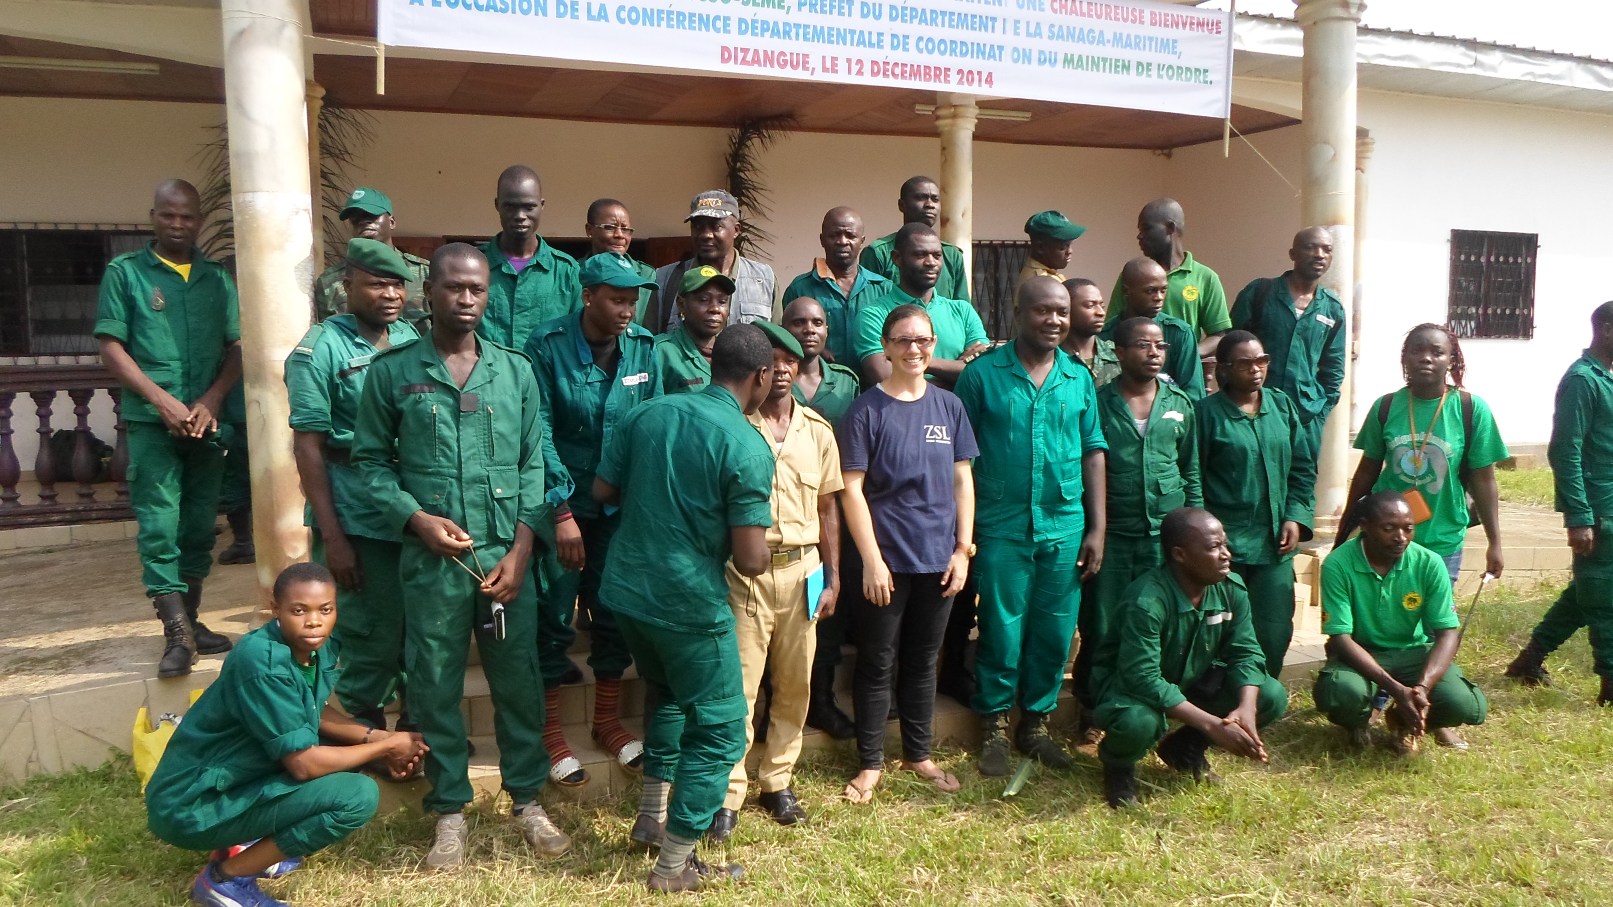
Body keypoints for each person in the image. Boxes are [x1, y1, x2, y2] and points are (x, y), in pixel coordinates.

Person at [351, 243, 571, 868]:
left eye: (477, 289)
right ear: (429, 293)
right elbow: (369, 463)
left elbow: (533, 463)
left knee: (519, 682)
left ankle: (527, 800)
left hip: (506, 559)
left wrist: (523, 551)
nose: (467, 299)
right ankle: (449, 810)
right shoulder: (393, 372)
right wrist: (415, 519)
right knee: (434, 684)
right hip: (433, 564)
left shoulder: (515, 371)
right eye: (454, 288)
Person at [594, 324, 775, 892]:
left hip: (627, 592)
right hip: (688, 603)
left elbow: (603, 491)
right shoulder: (747, 444)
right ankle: (673, 866)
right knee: (720, 731)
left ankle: (651, 818)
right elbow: (751, 559)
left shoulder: (647, 413)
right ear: (761, 376)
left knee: (668, 694)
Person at [146, 562, 428, 907]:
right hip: (191, 804)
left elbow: (310, 707)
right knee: (356, 796)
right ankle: (225, 879)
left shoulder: (315, 645)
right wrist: (386, 748)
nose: (314, 621)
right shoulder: (263, 661)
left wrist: (376, 737)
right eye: (299, 610)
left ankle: (244, 844)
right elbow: (304, 765)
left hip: (228, 782)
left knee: (344, 744)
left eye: (326, 610)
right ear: (275, 609)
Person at [954, 276, 1106, 776]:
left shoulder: (1077, 378)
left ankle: (1035, 725)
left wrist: (1097, 529)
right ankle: (995, 726)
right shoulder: (982, 376)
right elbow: (960, 457)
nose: (1054, 320)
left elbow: (1093, 451)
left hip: (1064, 525)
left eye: (1062, 312)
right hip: (1001, 525)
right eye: (1043, 311)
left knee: (1055, 630)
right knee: (1001, 629)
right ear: (1018, 313)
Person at [96, 178, 242, 678]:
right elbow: (111, 346)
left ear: (199, 221)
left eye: (187, 216)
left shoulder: (216, 280)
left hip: (206, 425)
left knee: (199, 527)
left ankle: (193, 620)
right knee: (160, 528)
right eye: (168, 215)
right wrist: (161, 401)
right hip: (151, 424)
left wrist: (211, 400)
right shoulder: (126, 274)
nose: (178, 224)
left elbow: (237, 347)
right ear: (153, 217)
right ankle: (176, 635)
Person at [524, 252, 661, 786]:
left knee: (613, 612)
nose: (627, 310)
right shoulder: (547, 345)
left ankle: (606, 722)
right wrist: (561, 511)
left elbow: (652, 425)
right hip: (562, 505)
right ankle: (550, 732)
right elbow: (537, 432)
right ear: (587, 296)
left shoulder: (645, 348)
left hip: (619, 511)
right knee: (556, 615)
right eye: (617, 300)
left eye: (633, 301)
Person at [839, 303, 978, 804]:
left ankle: (918, 754)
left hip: (939, 558)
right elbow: (851, 490)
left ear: (933, 345)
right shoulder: (865, 410)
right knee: (878, 661)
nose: (913, 349)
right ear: (886, 347)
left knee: (922, 661)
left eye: (922, 340)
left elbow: (963, 480)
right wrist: (872, 560)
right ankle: (870, 762)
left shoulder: (949, 406)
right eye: (903, 339)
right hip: (886, 561)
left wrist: (962, 550)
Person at [713, 321, 843, 840]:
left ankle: (778, 781)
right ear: (758, 370)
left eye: (791, 360)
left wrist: (833, 577)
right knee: (740, 688)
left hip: (803, 570)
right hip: (746, 574)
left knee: (795, 684)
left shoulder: (818, 431)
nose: (783, 369)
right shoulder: (736, 426)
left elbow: (828, 508)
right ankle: (728, 792)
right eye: (774, 360)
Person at [285, 238, 421, 733]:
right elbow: (309, 447)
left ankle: (414, 732)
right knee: (369, 634)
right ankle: (361, 734)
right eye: (377, 284)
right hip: (354, 512)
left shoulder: (409, 336)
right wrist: (334, 537)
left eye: (398, 285)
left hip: (408, 507)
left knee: (414, 627)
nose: (391, 294)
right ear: (348, 286)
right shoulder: (320, 348)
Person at [1088, 508, 1287, 808]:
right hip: (1130, 690)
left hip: (1191, 681)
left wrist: (1246, 709)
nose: (1226, 554)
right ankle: (1119, 766)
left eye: (1225, 544)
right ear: (1179, 555)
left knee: (1269, 695)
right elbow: (1142, 678)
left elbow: (1246, 651)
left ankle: (1184, 749)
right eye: (1214, 547)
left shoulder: (1230, 589)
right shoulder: (1147, 601)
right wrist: (1212, 726)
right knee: (1138, 723)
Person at [1073, 316, 1201, 743]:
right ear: (1120, 352)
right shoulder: (1098, 402)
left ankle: (1153, 708)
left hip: (1166, 538)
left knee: (1158, 623)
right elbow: (1086, 466)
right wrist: (1093, 530)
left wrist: (1195, 529)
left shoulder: (1180, 403)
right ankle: (1094, 711)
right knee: (1103, 625)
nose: (1154, 353)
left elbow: (1191, 471)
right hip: (1114, 534)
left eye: (1160, 346)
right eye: (1144, 345)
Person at [1314, 492, 1488, 753]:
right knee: (1341, 692)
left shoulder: (1429, 563)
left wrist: (1421, 688)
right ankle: (1358, 722)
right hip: (1362, 652)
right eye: (1389, 529)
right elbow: (1340, 638)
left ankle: (1402, 723)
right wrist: (1396, 689)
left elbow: (1447, 634)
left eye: (1408, 528)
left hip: (1412, 652)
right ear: (1365, 526)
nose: (1401, 537)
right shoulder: (1338, 564)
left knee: (1464, 703)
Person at [1337, 323, 1508, 583]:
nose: (1426, 358)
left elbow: (1484, 481)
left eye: (1437, 352)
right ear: (1405, 358)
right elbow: (1366, 474)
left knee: (1436, 610)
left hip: (1442, 539)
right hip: (1384, 539)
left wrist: (1494, 542)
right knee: (1383, 608)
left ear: (1451, 360)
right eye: (1417, 351)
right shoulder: (1385, 407)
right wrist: (1344, 529)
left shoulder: (1471, 410)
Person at [1507, 301, 1613, 704]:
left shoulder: (1605, 378)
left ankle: (1529, 659)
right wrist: (1579, 516)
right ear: (1606, 329)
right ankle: (1610, 684)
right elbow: (1565, 450)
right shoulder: (1582, 380)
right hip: (1598, 509)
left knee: (1589, 591)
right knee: (1604, 596)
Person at [1196, 331, 1316, 678]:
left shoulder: (1281, 405)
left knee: (1274, 628)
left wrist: (1295, 517)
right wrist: (1204, 539)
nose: (1255, 369)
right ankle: (1221, 697)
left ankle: (1265, 694)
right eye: (1245, 363)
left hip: (1274, 542)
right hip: (1225, 546)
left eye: (1262, 361)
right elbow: (1193, 477)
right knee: (1222, 629)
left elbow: (1303, 467)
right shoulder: (1206, 414)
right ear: (1224, 368)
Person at [782, 296, 862, 738]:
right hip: (784, 511)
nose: (808, 330)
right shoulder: (770, 378)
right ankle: (776, 704)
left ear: (827, 330)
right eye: (798, 322)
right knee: (781, 616)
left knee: (825, 605)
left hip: (832, 510)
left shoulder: (846, 383)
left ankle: (823, 701)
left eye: (816, 322)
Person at [1229, 227, 1347, 457]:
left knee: (1301, 479)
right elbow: (1230, 348)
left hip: (1304, 419)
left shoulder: (1332, 309)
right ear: (1293, 254)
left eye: (1327, 250)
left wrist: (1319, 413)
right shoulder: (1260, 293)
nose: (1319, 255)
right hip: (1253, 413)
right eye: (1310, 247)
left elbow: (1334, 368)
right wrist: (1233, 403)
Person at [853, 223, 991, 391]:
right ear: (897, 258)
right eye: (920, 255)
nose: (931, 262)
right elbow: (885, 378)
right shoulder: (873, 315)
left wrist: (909, 360)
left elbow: (984, 372)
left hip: (959, 409)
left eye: (937, 255)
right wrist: (956, 374)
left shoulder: (963, 312)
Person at [475, 164, 581, 348]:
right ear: (497, 205)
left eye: (529, 207)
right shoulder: (473, 266)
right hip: (487, 367)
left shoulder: (567, 272)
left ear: (542, 205)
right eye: (510, 206)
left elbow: (580, 336)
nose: (520, 216)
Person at [1108, 198, 1230, 354]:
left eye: (1146, 229)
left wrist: (1186, 356)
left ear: (1170, 228)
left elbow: (1218, 335)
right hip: (1137, 366)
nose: (1139, 236)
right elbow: (1111, 326)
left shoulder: (1206, 277)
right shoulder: (1134, 275)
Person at [652, 189, 777, 331]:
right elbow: (649, 339)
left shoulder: (764, 279)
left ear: (736, 230)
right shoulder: (666, 279)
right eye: (698, 227)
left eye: (716, 226)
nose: (706, 235)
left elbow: (777, 340)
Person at [781, 207, 889, 368]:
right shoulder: (800, 288)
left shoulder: (883, 288)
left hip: (875, 380)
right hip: (823, 380)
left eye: (850, 236)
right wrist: (814, 350)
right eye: (834, 235)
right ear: (822, 240)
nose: (842, 241)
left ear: (862, 240)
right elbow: (785, 338)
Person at [312, 186, 430, 326]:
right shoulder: (329, 281)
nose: (363, 221)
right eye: (355, 218)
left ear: (392, 222)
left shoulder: (425, 272)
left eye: (372, 215)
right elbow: (328, 331)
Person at [1099, 257, 1204, 398]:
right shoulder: (1104, 335)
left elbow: (1194, 394)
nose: (1159, 297)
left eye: (1163, 290)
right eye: (1150, 291)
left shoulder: (1179, 332)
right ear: (1126, 291)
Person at [860, 175, 972, 303]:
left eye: (935, 199)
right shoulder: (878, 252)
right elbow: (867, 303)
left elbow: (962, 306)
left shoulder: (952, 255)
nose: (930, 204)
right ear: (901, 205)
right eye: (920, 198)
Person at [582, 197, 661, 327]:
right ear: (589, 230)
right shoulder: (573, 271)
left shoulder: (647, 275)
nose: (619, 234)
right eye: (609, 227)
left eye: (625, 229)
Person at [655, 265, 734, 395]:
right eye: (704, 300)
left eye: (722, 301)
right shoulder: (660, 352)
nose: (715, 309)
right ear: (681, 304)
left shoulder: (733, 353)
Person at [1061, 277, 1120, 388]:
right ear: (1066, 310)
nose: (1101, 312)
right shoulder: (1051, 358)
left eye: (1102, 306)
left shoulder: (1118, 355)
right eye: (1090, 306)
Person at [1016, 211, 1086, 290]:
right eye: (1062, 247)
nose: (1069, 252)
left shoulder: (1046, 275)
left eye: (1070, 244)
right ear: (1040, 247)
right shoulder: (1041, 283)